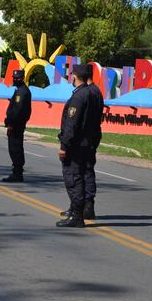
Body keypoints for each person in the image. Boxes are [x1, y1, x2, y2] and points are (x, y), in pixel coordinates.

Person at [60, 64, 104, 220]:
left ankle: (84, 207)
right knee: (83, 172)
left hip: (84, 139)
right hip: (90, 137)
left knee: (81, 173)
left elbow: (74, 121)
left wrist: (65, 144)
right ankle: (78, 207)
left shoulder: (87, 93)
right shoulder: (93, 92)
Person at [56, 63, 93, 228]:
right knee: (79, 178)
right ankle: (76, 213)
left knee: (73, 179)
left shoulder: (78, 96)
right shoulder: (88, 93)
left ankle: (77, 216)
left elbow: (71, 124)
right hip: (85, 143)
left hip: (75, 145)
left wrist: (64, 146)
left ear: (76, 76)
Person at [2, 69, 32, 182]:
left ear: (22, 78)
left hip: (16, 125)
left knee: (15, 148)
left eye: (17, 78)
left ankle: (17, 173)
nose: (15, 80)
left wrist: (11, 124)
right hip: (16, 124)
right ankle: (17, 172)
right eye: (14, 78)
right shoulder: (20, 90)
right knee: (15, 148)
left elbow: (17, 110)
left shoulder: (22, 92)